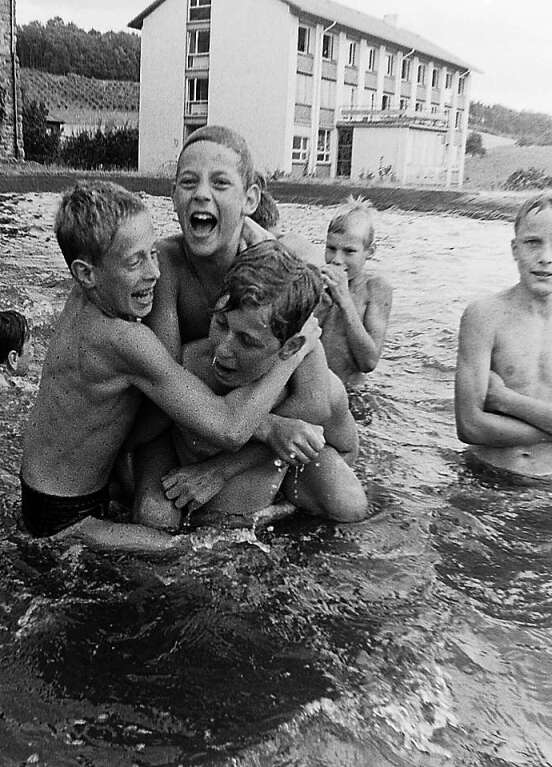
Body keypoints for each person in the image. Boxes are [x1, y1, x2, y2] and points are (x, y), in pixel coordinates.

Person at [19, 180, 322, 553]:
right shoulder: (120, 339)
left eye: (153, 252)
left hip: (47, 487)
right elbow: (228, 428)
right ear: (86, 274)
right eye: (135, 262)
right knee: (187, 549)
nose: (155, 273)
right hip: (63, 518)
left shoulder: (87, 292)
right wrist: (295, 352)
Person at [136, 125, 328, 527]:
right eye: (188, 182)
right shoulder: (166, 265)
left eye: (220, 183)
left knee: (342, 500)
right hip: (187, 416)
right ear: (173, 197)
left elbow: (313, 401)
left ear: (250, 199)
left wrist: (220, 470)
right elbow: (168, 392)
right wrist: (268, 428)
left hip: (250, 405)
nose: (201, 194)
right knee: (154, 517)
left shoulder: (282, 269)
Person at [161, 240, 367, 526]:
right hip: (216, 502)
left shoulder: (319, 390)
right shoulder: (189, 367)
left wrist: (281, 513)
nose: (222, 349)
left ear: (290, 348)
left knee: (349, 503)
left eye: (247, 341)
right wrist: (268, 428)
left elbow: (349, 450)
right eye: (221, 324)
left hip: (269, 492)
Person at [454, 189, 552, 482]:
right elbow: (469, 426)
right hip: (483, 476)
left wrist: (505, 400)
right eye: (533, 243)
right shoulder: (483, 315)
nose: (545, 258)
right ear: (514, 249)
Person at [318, 195, 394, 423]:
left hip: (350, 393)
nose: (337, 260)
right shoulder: (315, 283)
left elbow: (369, 362)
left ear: (369, 252)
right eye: (331, 248)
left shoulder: (376, 289)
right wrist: (317, 305)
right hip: (314, 389)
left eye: (349, 251)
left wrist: (345, 302)